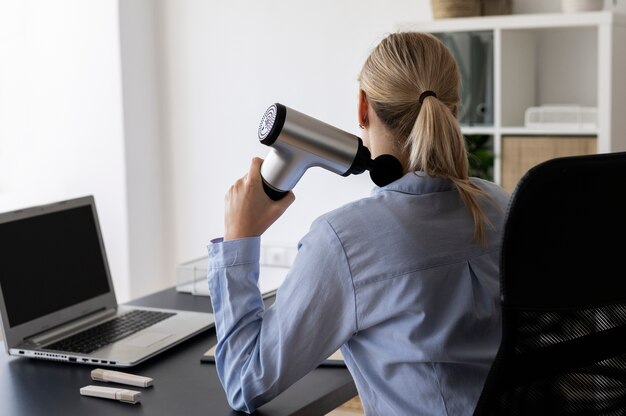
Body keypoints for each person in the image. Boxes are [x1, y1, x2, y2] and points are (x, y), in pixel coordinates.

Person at [207, 32, 510, 415]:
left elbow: (244, 381)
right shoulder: (503, 205)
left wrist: (240, 238)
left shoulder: (345, 241)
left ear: (363, 107)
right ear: (456, 107)